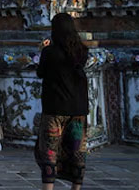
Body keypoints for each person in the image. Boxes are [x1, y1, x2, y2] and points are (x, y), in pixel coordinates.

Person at [35, 13, 89, 190]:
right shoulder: (82, 50)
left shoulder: (50, 52)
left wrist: (41, 50)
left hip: (55, 108)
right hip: (78, 109)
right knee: (77, 151)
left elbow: (41, 72)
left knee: (50, 151)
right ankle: (76, 187)